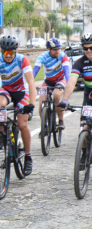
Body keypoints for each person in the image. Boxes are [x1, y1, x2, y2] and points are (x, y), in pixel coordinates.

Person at [0, 35, 36, 176]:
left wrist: (32, 104)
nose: (8, 56)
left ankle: (28, 156)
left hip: (21, 92)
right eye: (5, 52)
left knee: (22, 125)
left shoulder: (22, 59)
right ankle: (6, 141)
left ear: (16, 50)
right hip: (6, 91)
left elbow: (31, 82)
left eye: (11, 53)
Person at [33, 38, 69, 136]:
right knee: (41, 102)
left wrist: (68, 83)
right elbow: (35, 70)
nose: (57, 51)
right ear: (49, 49)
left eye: (59, 49)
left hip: (60, 80)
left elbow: (66, 71)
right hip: (48, 81)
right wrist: (31, 81)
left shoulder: (63, 56)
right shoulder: (42, 57)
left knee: (57, 95)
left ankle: (61, 121)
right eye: (55, 49)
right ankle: (44, 126)